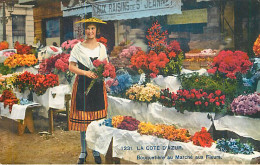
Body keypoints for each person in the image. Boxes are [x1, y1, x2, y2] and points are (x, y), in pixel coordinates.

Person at [68, 17, 108, 164]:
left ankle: (96, 151)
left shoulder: (102, 47)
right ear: (84, 30)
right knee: (83, 122)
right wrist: (85, 73)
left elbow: (105, 65)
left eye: (93, 28)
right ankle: (83, 152)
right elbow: (71, 67)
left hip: (97, 86)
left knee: (96, 122)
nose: (90, 31)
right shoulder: (78, 47)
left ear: (96, 30)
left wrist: (104, 72)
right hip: (83, 85)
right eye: (88, 28)